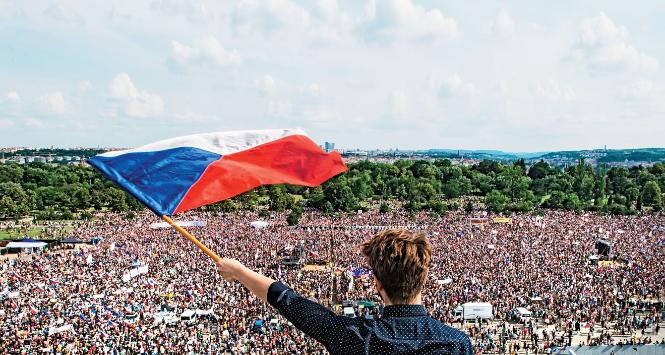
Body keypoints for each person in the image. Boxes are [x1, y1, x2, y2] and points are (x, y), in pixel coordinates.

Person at [217, 229, 473, 354]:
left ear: (377, 283)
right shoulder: (457, 344)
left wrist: (239, 272)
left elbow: (289, 301)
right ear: (424, 277)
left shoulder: (355, 337)